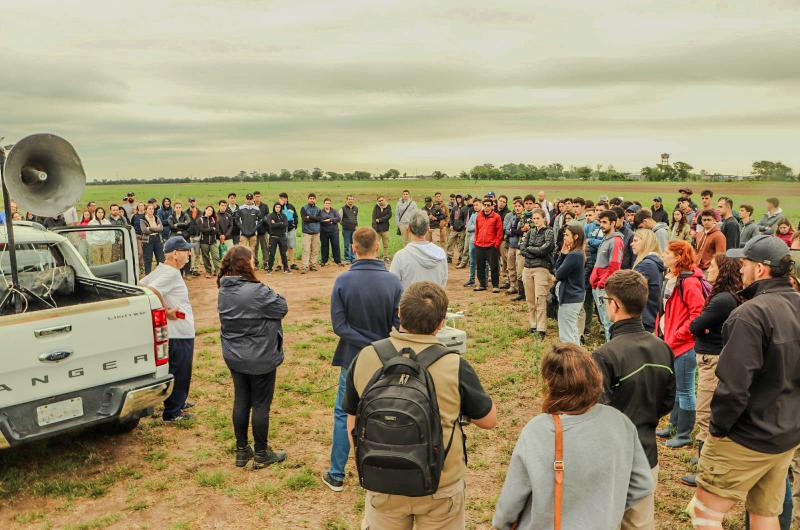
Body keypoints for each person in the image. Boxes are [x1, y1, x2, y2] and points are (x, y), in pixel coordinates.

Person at [343, 282, 497, 528]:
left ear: (400, 313)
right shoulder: (454, 365)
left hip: (382, 480)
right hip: (440, 482)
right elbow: (488, 421)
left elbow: (351, 419)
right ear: (441, 323)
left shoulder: (366, 356)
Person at [688, 235, 800, 530]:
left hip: (746, 435)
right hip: (785, 433)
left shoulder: (750, 314)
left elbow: (734, 384)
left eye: (745, 262)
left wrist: (719, 429)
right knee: (765, 514)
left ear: (761, 269)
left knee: (704, 513)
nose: (739, 268)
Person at [493, 343, 654, 530]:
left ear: (549, 382)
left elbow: (510, 504)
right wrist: (605, 512)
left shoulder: (537, 431)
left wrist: (500, 524)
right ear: (593, 376)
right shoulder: (620, 422)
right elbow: (642, 484)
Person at [592, 270, 676, 530]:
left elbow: (597, 412)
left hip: (612, 459)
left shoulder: (605, 355)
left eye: (607, 300)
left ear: (614, 305)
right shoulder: (662, 347)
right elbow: (667, 402)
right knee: (640, 524)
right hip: (647, 453)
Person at [322, 227, 403, 492]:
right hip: (383, 357)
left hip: (353, 358)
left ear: (354, 248)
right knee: (382, 413)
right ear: (377, 247)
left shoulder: (343, 281)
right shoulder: (392, 281)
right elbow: (397, 324)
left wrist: (364, 343)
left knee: (345, 413)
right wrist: (377, 344)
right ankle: (382, 472)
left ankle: (336, 474)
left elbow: (339, 325)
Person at [217, 245, 288, 469]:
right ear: (244, 264)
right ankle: (261, 451)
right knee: (260, 404)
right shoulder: (256, 291)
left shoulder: (223, 288)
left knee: (241, 400)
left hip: (234, 355)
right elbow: (281, 307)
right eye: (252, 260)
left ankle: (241, 450)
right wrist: (268, 287)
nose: (255, 264)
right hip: (260, 356)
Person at [680, 254, 742, 488]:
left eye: (713, 266)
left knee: (705, 413)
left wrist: (701, 330)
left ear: (723, 270)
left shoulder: (723, 300)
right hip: (716, 355)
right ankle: (704, 460)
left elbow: (696, 325)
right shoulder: (733, 297)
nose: (707, 269)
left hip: (711, 359)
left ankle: (705, 471)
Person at [140, 236, 195, 422]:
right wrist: (165, 311)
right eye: (186, 250)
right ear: (175, 254)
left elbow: (141, 285)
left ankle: (177, 402)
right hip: (179, 332)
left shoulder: (162, 269)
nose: (189, 254)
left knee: (176, 368)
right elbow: (153, 290)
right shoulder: (170, 273)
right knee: (181, 370)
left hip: (175, 331)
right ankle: (173, 412)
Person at [657, 240, 705, 449]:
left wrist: (678, 334)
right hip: (672, 342)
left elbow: (697, 314)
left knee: (685, 390)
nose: (663, 255)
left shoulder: (689, 282)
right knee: (677, 387)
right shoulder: (674, 278)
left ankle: (684, 434)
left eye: (667, 253)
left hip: (684, 345)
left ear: (678, 257)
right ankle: (674, 426)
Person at [519, 209, 555, 337]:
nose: (536, 221)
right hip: (527, 268)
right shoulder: (530, 231)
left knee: (540, 298)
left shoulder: (549, 232)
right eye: (534, 219)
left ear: (544, 218)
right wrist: (533, 251)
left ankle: (541, 328)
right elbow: (522, 248)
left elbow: (544, 250)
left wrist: (530, 249)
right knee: (530, 299)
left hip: (541, 268)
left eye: (538, 218)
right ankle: (533, 324)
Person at [590, 210, 625, 341]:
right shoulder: (606, 239)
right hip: (598, 287)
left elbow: (614, 267)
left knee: (609, 322)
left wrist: (602, 283)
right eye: (600, 222)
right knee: (605, 322)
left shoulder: (616, 241)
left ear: (613, 223)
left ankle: (611, 350)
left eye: (605, 222)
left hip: (604, 288)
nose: (601, 225)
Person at [389, 211, 447, 290]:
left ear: (409, 228)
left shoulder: (400, 256)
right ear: (428, 228)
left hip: (410, 301)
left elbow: (393, 286)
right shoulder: (440, 253)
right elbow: (443, 282)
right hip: (435, 300)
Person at [554, 224, 585, 344]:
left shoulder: (574, 255)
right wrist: (563, 254)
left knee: (567, 333)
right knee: (571, 330)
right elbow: (557, 270)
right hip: (571, 297)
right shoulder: (575, 253)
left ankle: (572, 359)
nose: (564, 238)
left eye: (567, 235)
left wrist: (563, 256)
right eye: (564, 235)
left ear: (576, 236)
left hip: (570, 297)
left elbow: (558, 273)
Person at [631, 229, 665, 333]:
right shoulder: (652, 262)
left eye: (636, 240)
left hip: (643, 318)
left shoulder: (646, 265)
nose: (632, 244)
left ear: (646, 242)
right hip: (649, 316)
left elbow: (630, 292)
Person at [473, 196, 504, 293]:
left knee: (494, 266)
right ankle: (482, 284)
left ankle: (495, 285)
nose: (486, 207)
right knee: (480, 266)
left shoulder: (496, 217)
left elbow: (499, 232)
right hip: (479, 246)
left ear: (492, 207)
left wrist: (496, 244)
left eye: (488, 205)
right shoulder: (479, 216)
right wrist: (476, 241)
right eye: (485, 205)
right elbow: (477, 230)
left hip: (491, 246)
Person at [504, 200, 525, 295]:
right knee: (510, 266)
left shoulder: (525, 218)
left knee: (519, 268)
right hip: (511, 246)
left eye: (519, 206)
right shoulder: (512, 218)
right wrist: (515, 231)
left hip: (520, 247)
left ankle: (521, 289)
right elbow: (507, 230)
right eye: (516, 206)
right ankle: (513, 285)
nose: (517, 208)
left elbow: (523, 232)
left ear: (523, 207)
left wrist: (514, 231)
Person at [300, 193, 322, 274]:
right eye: (310, 198)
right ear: (308, 199)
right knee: (306, 250)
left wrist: (310, 217)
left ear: (315, 199)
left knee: (315, 250)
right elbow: (304, 219)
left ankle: (313, 265)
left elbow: (320, 219)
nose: (312, 200)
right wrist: (315, 219)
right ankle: (304, 266)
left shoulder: (318, 209)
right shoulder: (304, 208)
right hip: (307, 232)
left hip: (316, 232)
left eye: (313, 198)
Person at [140, 203, 165, 275]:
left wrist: (150, 228)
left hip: (157, 239)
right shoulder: (143, 219)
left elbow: (161, 229)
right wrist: (156, 228)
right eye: (149, 209)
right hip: (148, 240)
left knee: (160, 258)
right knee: (148, 259)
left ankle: (160, 275)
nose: (151, 210)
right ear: (146, 210)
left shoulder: (157, 217)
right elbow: (144, 230)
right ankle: (148, 276)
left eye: (152, 209)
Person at [266, 202, 290, 274]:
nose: (278, 208)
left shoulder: (284, 215)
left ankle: (286, 268)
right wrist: (280, 223)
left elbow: (285, 224)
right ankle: (270, 268)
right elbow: (271, 225)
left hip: (282, 237)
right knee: (272, 253)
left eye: (279, 207)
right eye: (276, 207)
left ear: (281, 208)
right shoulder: (270, 215)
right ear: (274, 208)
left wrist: (276, 223)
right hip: (273, 237)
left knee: (283, 253)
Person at [197, 206, 220, 278]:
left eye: (211, 211)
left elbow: (216, 230)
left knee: (216, 257)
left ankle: (218, 271)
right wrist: (211, 229)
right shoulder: (200, 220)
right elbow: (201, 230)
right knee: (206, 257)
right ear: (205, 210)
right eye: (209, 210)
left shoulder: (213, 219)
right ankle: (208, 272)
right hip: (204, 242)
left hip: (213, 241)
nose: (210, 212)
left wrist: (210, 230)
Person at [462, 198, 481, 287]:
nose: (475, 207)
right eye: (474, 205)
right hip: (472, 241)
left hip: (481, 242)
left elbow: (483, 227)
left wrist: (474, 226)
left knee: (483, 262)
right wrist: (477, 226)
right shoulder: (473, 215)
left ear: (481, 205)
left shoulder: (484, 215)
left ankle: (482, 281)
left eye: (477, 204)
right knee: (472, 262)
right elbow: (468, 228)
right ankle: (471, 279)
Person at [278, 192, 299, 270]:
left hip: (291, 228)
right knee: (281, 247)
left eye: (282, 198)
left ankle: (292, 263)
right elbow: (277, 214)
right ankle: (279, 264)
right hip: (282, 229)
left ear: (286, 198)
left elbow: (295, 216)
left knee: (291, 246)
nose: (281, 199)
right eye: (280, 198)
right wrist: (281, 205)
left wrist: (295, 225)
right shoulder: (279, 206)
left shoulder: (291, 206)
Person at [320, 198, 343, 267]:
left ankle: (338, 261)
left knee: (335, 245)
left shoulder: (334, 211)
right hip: (324, 231)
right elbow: (320, 219)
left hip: (334, 231)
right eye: (326, 203)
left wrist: (330, 219)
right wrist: (325, 220)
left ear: (330, 204)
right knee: (324, 246)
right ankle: (324, 261)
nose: (328, 204)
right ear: (324, 204)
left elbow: (338, 218)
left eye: (329, 203)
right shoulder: (321, 211)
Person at [446, 194, 467, 264]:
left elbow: (466, 219)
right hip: (454, 229)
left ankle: (460, 257)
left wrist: (463, 226)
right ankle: (449, 256)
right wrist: (451, 225)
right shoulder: (454, 208)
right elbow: (451, 217)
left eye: (459, 198)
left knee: (461, 244)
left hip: (462, 230)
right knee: (450, 242)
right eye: (457, 198)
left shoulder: (465, 208)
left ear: (462, 199)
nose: (458, 199)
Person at [371, 195, 392, 260]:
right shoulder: (376, 207)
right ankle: (375, 256)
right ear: (378, 202)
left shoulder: (388, 206)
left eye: (382, 200)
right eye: (379, 201)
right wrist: (374, 228)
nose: (381, 202)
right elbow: (374, 217)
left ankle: (385, 256)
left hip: (385, 229)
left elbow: (388, 216)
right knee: (375, 244)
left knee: (385, 244)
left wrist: (380, 220)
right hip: (377, 229)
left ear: (384, 200)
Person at [340, 195, 358, 264]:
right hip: (346, 230)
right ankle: (347, 259)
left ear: (353, 200)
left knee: (353, 244)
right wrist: (345, 224)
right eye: (349, 199)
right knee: (346, 245)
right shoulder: (343, 209)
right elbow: (339, 219)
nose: (350, 200)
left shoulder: (356, 208)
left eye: (352, 199)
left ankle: (353, 258)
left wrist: (356, 226)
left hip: (354, 229)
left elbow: (356, 218)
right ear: (346, 200)